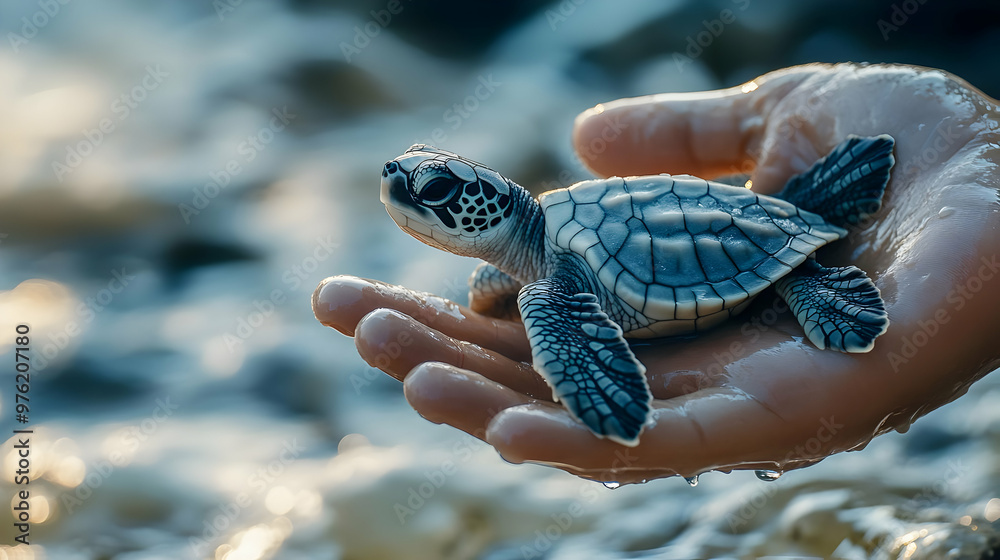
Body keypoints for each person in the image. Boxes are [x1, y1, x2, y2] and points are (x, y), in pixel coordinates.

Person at [313, 63, 1000, 484]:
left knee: (804, 285)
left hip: (743, 256)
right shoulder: (526, 269)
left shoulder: (551, 288)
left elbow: (567, 325)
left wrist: (980, 163)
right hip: (737, 224)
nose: (402, 183)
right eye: (412, 173)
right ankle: (805, 223)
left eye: (434, 188)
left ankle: (809, 276)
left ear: (484, 208)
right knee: (510, 300)